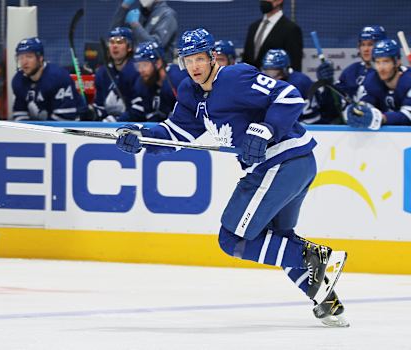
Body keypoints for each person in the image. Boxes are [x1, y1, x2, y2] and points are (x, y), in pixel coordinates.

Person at [115, 28, 349, 327]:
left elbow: (289, 96)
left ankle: (314, 256)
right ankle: (328, 302)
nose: (195, 66)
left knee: (232, 238)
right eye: (188, 60)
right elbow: (177, 133)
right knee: (277, 240)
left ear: (213, 57)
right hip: (291, 166)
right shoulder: (189, 92)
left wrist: (266, 129)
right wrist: (143, 138)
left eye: (200, 58)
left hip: (282, 161)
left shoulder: (235, 77)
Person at [11, 37, 87, 121]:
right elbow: (20, 115)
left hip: (74, 128)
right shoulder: (18, 81)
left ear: (40, 58)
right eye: (21, 57)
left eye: (29, 56)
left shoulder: (59, 77)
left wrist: (36, 132)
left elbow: (63, 118)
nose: (24, 62)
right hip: (40, 129)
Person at [346, 38, 411, 129]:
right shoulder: (372, 80)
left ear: (397, 62)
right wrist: (357, 111)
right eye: (377, 62)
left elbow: (408, 116)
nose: (381, 68)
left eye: (385, 61)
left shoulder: (408, 81)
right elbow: (366, 104)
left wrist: (381, 118)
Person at [262, 49, 339, 124]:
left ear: (286, 69)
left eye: (276, 72)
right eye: (268, 72)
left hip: (311, 126)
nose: (272, 77)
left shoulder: (299, 82)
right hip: (297, 125)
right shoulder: (265, 83)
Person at [118, 41, 187, 122]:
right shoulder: (142, 82)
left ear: (158, 63)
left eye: (144, 65)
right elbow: (148, 115)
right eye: (138, 66)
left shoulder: (178, 79)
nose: (140, 70)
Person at [317, 25, 387, 103]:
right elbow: (334, 105)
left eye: (370, 44)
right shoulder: (351, 71)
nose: (365, 49)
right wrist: (328, 86)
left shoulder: (389, 73)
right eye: (363, 44)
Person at [93, 27, 140, 122]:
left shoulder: (137, 71)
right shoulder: (102, 73)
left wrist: (118, 121)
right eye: (112, 42)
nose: (114, 46)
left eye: (119, 42)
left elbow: (139, 109)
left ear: (129, 47)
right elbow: (99, 105)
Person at [242, 0, 303, 71]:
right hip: (251, 79)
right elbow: (246, 58)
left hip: (276, 80)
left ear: (279, 1)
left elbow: (294, 63)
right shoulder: (253, 27)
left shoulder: (291, 29)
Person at [111, 0, 178, 63]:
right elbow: (114, 33)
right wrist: (124, 7)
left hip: (160, 69)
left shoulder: (167, 14)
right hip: (140, 66)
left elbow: (156, 46)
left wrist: (135, 25)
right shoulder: (144, 14)